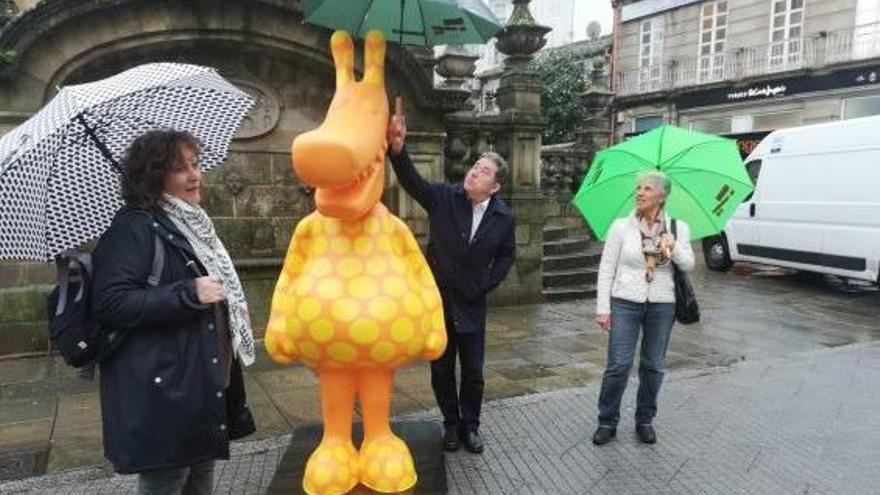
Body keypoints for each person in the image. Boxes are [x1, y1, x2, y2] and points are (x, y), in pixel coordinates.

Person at [91, 130, 256, 494]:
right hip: (164, 387)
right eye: (180, 169)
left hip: (199, 379)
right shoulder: (133, 227)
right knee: (168, 479)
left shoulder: (189, 224)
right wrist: (189, 292)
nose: (195, 175)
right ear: (153, 177)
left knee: (199, 477)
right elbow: (111, 302)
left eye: (195, 165)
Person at [387, 112, 516, 454]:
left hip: (473, 303)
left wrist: (487, 282)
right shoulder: (445, 197)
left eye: (485, 171)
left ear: (495, 186)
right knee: (442, 371)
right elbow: (413, 183)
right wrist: (397, 150)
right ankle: (451, 424)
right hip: (438, 302)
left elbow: (507, 255)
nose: (475, 171)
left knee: (473, 372)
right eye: (475, 166)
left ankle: (471, 426)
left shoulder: (504, 217)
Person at [592, 170, 695, 446]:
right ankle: (607, 420)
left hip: (662, 304)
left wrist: (673, 245)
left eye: (647, 188)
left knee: (653, 365)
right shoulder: (619, 227)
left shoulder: (678, 228)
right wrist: (603, 307)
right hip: (625, 301)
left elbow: (688, 265)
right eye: (638, 188)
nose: (639, 193)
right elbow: (606, 269)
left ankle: (645, 420)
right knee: (618, 364)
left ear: (661, 196)